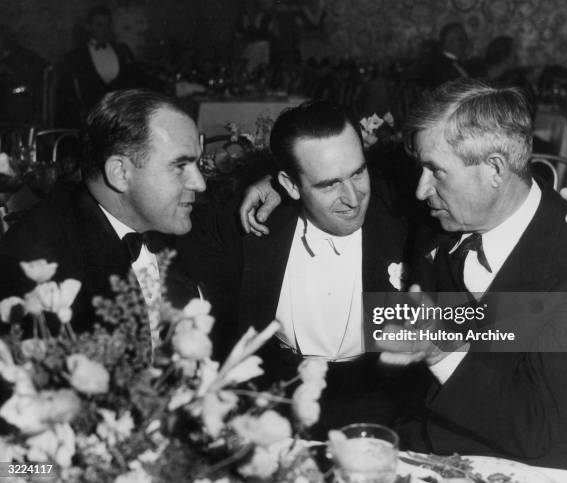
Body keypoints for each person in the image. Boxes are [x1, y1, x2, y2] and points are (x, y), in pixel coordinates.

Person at [382, 78, 567, 472]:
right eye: (420, 168)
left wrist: (442, 349)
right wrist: (277, 189)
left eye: (436, 171)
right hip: (430, 447)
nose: (421, 190)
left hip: (543, 466)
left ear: (494, 168)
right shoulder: (436, 226)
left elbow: (539, 429)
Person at [178, 100, 408, 436]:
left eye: (358, 173)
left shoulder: (404, 217)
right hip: (274, 413)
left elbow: (502, 322)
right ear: (289, 184)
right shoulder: (251, 225)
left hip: (382, 412)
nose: (353, 198)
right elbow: (169, 231)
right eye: (328, 184)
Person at [0, 88, 206, 336]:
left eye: (198, 163)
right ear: (119, 173)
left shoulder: (167, 221)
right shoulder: (41, 261)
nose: (200, 183)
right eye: (180, 165)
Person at [58, 5, 149, 126]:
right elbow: (68, 99)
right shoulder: (75, 57)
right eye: (99, 25)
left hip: (120, 120)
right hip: (90, 122)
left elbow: (138, 80)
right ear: (88, 27)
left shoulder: (122, 51)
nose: (105, 30)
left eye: (107, 25)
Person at [421, 22, 470, 89]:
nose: (465, 43)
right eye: (460, 39)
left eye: (465, 38)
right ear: (448, 41)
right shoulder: (437, 65)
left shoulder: (462, 63)